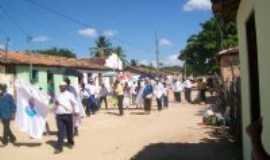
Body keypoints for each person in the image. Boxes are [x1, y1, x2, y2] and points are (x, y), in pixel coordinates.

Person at [53, 82, 79, 154]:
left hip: (68, 115)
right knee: (60, 132)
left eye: (63, 86)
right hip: (59, 116)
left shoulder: (70, 95)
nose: (61, 88)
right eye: (60, 86)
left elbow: (75, 103)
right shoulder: (57, 95)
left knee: (69, 131)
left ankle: (70, 142)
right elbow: (55, 106)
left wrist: (76, 111)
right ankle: (59, 148)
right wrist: (55, 106)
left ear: (66, 87)